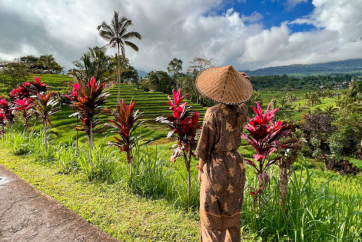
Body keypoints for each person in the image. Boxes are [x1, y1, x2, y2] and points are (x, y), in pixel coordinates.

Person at [194, 66, 253, 242]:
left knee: (211, 218)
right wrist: (245, 84)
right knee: (232, 217)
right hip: (236, 167)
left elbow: (205, 145)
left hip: (216, 168)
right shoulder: (242, 112)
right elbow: (243, 103)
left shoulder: (213, 113)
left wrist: (200, 168)